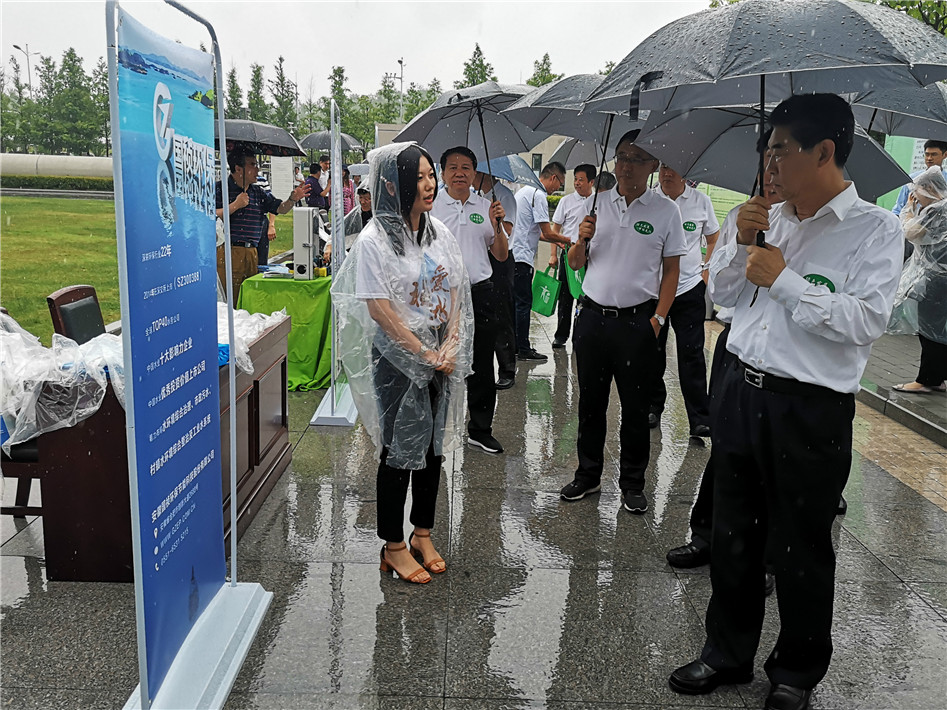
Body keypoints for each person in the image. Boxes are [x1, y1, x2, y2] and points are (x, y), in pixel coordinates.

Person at [669, 94, 903, 710]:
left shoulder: (874, 230)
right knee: (732, 535)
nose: (768, 163)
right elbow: (723, 295)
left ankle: (796, 672)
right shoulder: (761, 216)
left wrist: (785, 280)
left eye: (780, 150)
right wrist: (741, 242)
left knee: (802, 546)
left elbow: (865, 321)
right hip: (740, 391)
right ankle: (726, 652)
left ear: (824, 151)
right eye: (766, 150)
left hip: (810, 409)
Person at [331, 142, 474, 585]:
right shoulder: (375, 240)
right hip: (397, 359)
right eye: (420, 177)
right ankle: (393, 546)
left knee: (432, 447)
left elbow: (455, 289)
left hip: (439, 355)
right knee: (398, 451)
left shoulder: (438, 232)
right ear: (395, 185)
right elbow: (379, 308)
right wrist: (422, 352)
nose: (430, 185)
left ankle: (422, 534)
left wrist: (450, 343)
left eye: (432, 176)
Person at [558, 130, 686, 514]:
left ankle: (632, 482)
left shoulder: (666, 211)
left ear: (653, 165)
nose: (627, 166)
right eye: (622, 157)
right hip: (593, 319)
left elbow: (672, 270)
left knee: (635, 408)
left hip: (637, 324)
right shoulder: (595, 204)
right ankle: (588, 474)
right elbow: (575, 263)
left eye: (636, 159)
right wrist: (581, 239)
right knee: (590, 404)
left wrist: (658, 319)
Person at [432, 146, 509, 454]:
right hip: (441, 297)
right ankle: (435, 426)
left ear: (475, 173)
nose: (459, 173)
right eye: (452, 167)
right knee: (438, 361)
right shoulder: (430, 207)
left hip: (480, 293)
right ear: (443, 173)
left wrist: (498, 225)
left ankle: (480, 429)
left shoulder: (487, 206)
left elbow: (500, 254)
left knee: (482, 363)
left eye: (466, 167)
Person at [648, 163, 720, 436]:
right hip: (654, 290)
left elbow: (713, 238)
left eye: (673, 168)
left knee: (692, 353)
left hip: (689, 288)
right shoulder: (649, 200)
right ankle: (653, 406)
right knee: (653, 351)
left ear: (686, 171)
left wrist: (705, 271)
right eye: (663, 167)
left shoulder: (701, 202)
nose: (667, 173)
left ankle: (699, 418)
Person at [215, 147, 309, 299]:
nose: (257, 169)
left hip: (253, 252)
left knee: (250, 297)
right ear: (238, 168)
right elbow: (209, 216)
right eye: (252, 164)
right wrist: (235, 205)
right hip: (229, 251)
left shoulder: (257, 192)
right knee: (231, 299)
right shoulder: (220, 189)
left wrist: (292, 199)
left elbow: (280, 208)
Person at [888, 165, 947, 394]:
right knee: (939, 330)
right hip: (940, 279)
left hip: (936, 281)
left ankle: (927, 380)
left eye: (916, 192)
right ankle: (939, 377)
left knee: (929, 330)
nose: (915, 196)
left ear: (929, 189)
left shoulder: (937, 210)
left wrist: (909, 211)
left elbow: (912, 233)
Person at [509, 162, 572, 361]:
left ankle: (515, 345)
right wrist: (570, 241)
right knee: (523, 303)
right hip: (522, 257)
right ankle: (523, 348)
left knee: (516, 302)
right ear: (553, 178)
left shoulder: (525, 191)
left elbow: (535, 232)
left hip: (514, 254)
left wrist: (557, 242)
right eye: (560, 183)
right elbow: (548, 231)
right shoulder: (539, 195)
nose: (558, 187)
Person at [474, 171, 517, 389]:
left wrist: (494, 221)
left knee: (502, 314)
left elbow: (507, 229)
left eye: (472, 171)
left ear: (483, 174)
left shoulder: (503, 195)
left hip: (500, 258)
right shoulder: (476, 196)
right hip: (482, 257)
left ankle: (507, 369)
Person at [549, 164, 596, 349]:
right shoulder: (566, 201)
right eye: (575, 179)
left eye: (581, 180)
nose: (577, 183)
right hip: (568, 253)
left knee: (585, 297)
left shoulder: (597, 202)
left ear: (591, 182)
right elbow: (555, 230)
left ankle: (580, 336)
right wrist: (553, 255)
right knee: (565, 296)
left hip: (590, 255)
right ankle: (561, 335)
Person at [892, 140, 947, 217]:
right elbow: (898, 209)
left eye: (934, 154)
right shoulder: (912, 179)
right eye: (927, 154)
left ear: (945, 155)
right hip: (911, 222)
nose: (929, 158)